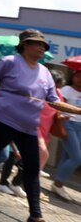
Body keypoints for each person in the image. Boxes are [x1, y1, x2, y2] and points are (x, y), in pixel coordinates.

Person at [0, 30, 81, 222]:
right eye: (38, 44)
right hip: (4, 118)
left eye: (44, 45)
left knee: (32, 167)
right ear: (25, 44)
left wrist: (77, 110)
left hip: (28, 126)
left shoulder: (45, 73)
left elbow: (53, 101)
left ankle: (35, 214)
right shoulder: (9, 62)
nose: (42, 47)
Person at [52, 68, 81, 201]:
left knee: (67, 156)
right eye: (78, 75)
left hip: (79, 127)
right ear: (73, 76)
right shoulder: (66, 90)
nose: (80, 79)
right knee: (76, 158)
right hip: (68, 124)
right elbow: (58, 106)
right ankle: (58, 184)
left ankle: (59, 183)